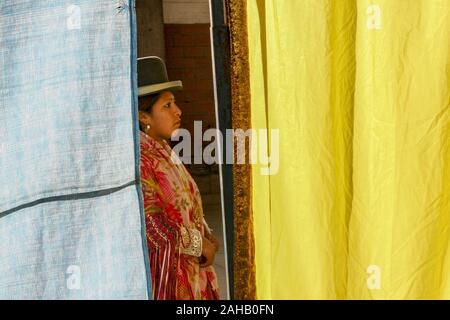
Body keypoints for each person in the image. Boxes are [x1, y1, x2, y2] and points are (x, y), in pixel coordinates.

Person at [137, 56, 220, 300]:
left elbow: (183, 204)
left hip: (192, 271)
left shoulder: (162, 151)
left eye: (174, 103)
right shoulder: (140, 160)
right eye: (167, 105)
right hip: (170, 282)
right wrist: (199, 244)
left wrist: (205, 233)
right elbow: (150, 225)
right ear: (144, 117)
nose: (178, 110)